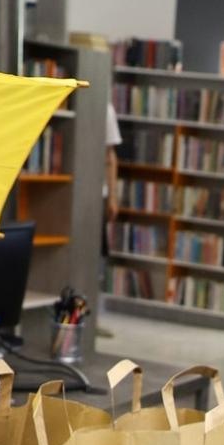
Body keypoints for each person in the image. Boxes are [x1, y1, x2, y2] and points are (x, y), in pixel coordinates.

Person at [101, 102, 122, 337]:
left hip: (99, 193)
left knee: (97, 256)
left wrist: (113, 196)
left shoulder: (106, 109)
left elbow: (110, 156)